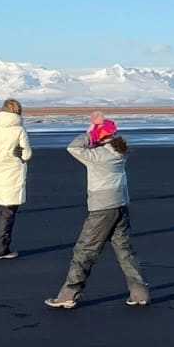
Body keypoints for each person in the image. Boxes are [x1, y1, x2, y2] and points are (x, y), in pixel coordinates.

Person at [47, 113, 149, 308]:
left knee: (84, 250)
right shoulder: (120, 151)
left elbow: (73, 147)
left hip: (102, 208)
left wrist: (90, 134)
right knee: (124, 250)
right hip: (120, 204)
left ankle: (69, 294)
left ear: (100, 137)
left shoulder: (97, 155)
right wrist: (98, 131)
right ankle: (139, 293)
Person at [0, 97, 33, 260]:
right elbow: (27, 154)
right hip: (13, 175)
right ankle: (0, 249)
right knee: (8, 213)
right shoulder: (19, 130)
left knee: (0, 211)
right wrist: (18, 152)